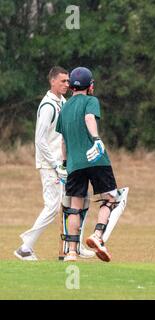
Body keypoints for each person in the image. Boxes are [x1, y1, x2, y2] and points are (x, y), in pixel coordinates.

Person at [14, 66, 94, 261]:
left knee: (79, 201)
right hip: (50, 166)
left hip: (63, 164)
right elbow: (39, 140)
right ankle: (25, 248)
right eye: (63, 81)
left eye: (68, 81)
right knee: (53, 207)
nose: (67, 84)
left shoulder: (63, 102)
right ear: (52, 82)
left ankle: (75, 244)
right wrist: (55, 164)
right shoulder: (48, 106)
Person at [56, 67, 122, 262]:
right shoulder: (91, 100)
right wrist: (96, 139)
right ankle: (97, 235)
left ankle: (71, 252)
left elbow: (63, 141)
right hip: (96, 159)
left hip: (74, 164)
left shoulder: (64, 107)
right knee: (110, 198)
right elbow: (89, 117)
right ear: (90, 85)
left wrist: (64, 163)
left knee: (75, 208)